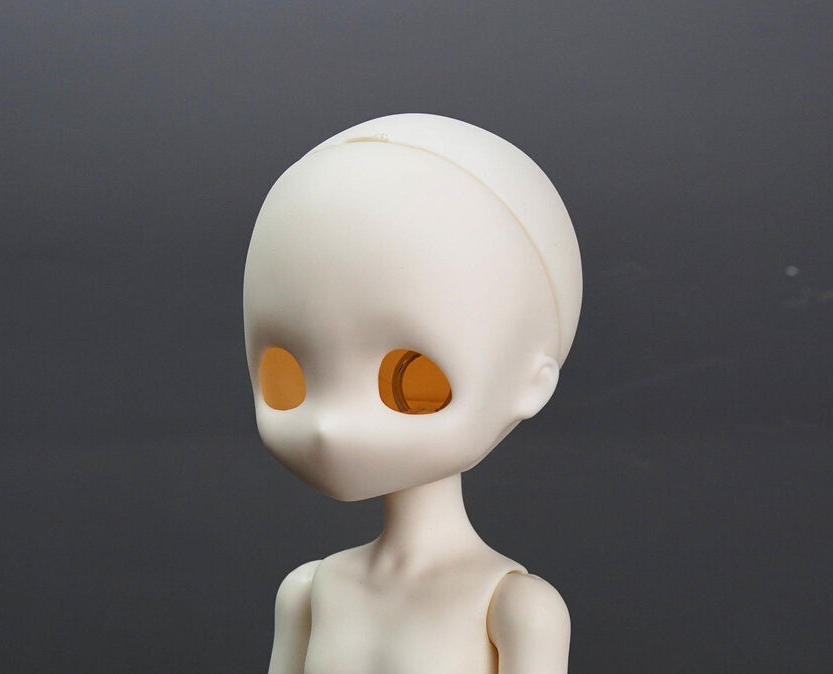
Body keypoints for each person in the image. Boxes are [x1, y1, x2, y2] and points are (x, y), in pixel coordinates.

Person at [244, 113, 582, 673]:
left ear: (531, 381)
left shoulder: (515, 609)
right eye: (289, 374)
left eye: (408, 377)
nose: (328, 428)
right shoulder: (308, 593)